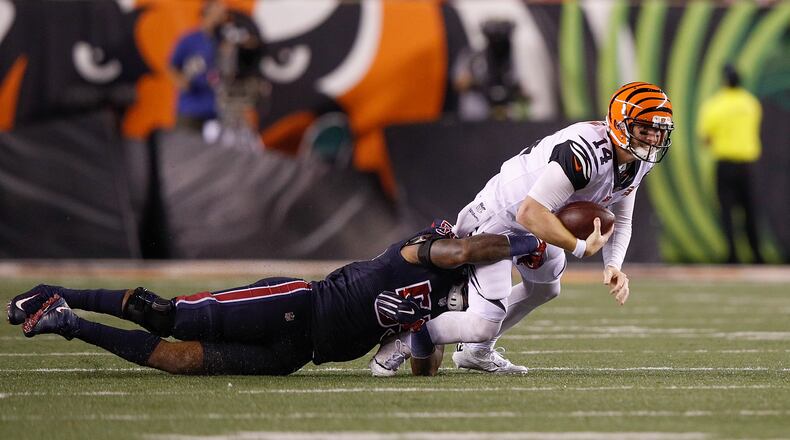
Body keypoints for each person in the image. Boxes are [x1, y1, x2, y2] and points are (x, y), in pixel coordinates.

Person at [6, 221, 549, 376]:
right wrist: (530, 240)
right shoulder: (417, 253)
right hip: (296, 304)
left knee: (177, 360)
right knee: (166, 316)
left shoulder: (442, 305)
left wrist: (424, 336)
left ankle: (66, 320)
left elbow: (420, 368)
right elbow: (464, 251)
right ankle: (62, 292)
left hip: (296, 356)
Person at [392, 82, 673, 374]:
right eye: (645, 130)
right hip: (501, 221)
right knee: (483, 324)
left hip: (541, 220)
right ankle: (409, 333)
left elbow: (621, 217)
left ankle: (476, 354)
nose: (652, 139)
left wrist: (613, 265)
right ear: (620, 125)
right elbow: (529, 212)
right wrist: (578, 247)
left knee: (545, 288)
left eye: (659, 132)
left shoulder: (636, 161)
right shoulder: (586, 151)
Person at [698, 64, 764, 264]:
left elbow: (706, 139)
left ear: (724, 80)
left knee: (727, 210)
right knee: (750, 210)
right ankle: (756, 255)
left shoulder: (715, 105)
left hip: (725, 164)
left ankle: (732, 255)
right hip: (748, 165)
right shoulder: (751, 103)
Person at [169, 0, 228, 131]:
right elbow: (171, 66)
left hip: (216, 110)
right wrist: (181, 81)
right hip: (190, 110)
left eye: (222, 14)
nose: (220, 18)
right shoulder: (190, 39)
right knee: (186, 148)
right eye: (217, 13)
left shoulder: (223, 41)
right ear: (206, 13)